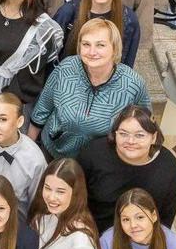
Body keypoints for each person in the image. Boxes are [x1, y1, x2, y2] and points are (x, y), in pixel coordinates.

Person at [30, 18, 150, 159]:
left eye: (100, 45)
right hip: (54, 152)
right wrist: (28, 150)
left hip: (100, 161)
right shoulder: (66, 69)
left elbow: (145, 126)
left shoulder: (132, 84)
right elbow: (42, 109)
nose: (92, 52)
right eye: (86, 44)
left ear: (115, 48)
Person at [79, 105, 176, 234]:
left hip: (140, 237)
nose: (130, 141)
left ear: (153, 137)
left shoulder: (170, 169)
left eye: (139, 135)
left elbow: (166, 218)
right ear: (115, 133)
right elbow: (75, 198)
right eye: (123, 134)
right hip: (92, 232)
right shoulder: (93, 154)